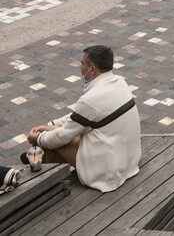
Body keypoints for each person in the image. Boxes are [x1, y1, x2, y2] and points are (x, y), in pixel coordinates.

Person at [24, 45, 141, 192]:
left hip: (107, 170)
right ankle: (37, 163)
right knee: (48, 133)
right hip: (127, 159)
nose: (80, 67)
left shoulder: (90, 100)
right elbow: (80, 117)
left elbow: (63, 136)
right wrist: (49, 126)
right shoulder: (120, 83)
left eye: (82, 63)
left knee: (50, 146)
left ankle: (38, 179)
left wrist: (38, 139)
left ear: (92, 70)